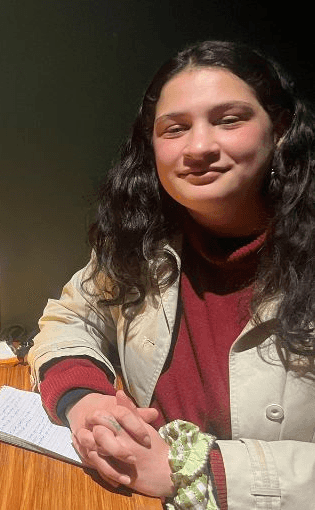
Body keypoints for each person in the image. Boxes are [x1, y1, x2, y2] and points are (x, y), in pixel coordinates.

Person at [29, 40, 315, 510]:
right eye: (175, 128)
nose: (199, 147)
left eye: (229, 120)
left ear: (280, 128)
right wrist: (86, 399)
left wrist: (202, 470)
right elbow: (74, 315)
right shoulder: (142, 237)